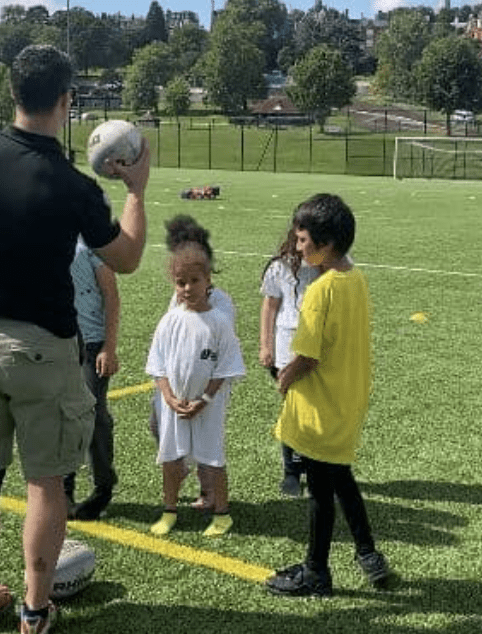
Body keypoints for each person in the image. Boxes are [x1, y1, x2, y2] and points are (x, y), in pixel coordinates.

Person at [0, 44, 150, 634]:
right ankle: (35, 610)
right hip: (40, 348)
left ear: (13, 93)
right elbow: (127, 258)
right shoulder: (71, 185)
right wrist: (136, 190)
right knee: (47, 480)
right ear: (66, 100)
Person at [265, 193, 392, 597]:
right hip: (346, 399)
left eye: (303, 241)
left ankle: (316, 571)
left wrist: (284, 377)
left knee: (321, 490)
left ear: (327, 242)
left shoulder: (321, 290)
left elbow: (308, 355)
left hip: (319, 405)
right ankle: (368, 553)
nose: (297, 248)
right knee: (339, 476)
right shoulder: (355, 279)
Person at [145, 236, 245, 538]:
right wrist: (168, 396)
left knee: (212, 456)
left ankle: (222, 513)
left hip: (207, 404)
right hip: (174, 403)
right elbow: (158, 364)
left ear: (207, 280)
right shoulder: (169, 320)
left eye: (194, 280)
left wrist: (203, 398)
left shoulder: (219, 321)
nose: (187, 288)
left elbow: (226, 367)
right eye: (180, 282)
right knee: (171, 457)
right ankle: (169, 510)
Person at [259, 227, 321, 497]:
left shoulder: (329, 266)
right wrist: (265, 345)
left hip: (319, 352)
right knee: (294, 412)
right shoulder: (280, 266)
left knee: (319, 412)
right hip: (287, 351)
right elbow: (270, 307)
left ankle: (317, 466)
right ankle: (292, 472)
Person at [63, 237, 120, 521]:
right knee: (58, 414)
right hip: (54, 341)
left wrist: (109, 347)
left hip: (92, 343)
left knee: (93, 413)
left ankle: (103, 487)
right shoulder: (37, 231)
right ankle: (63, 490)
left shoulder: (89, 242)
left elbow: (110, 294)